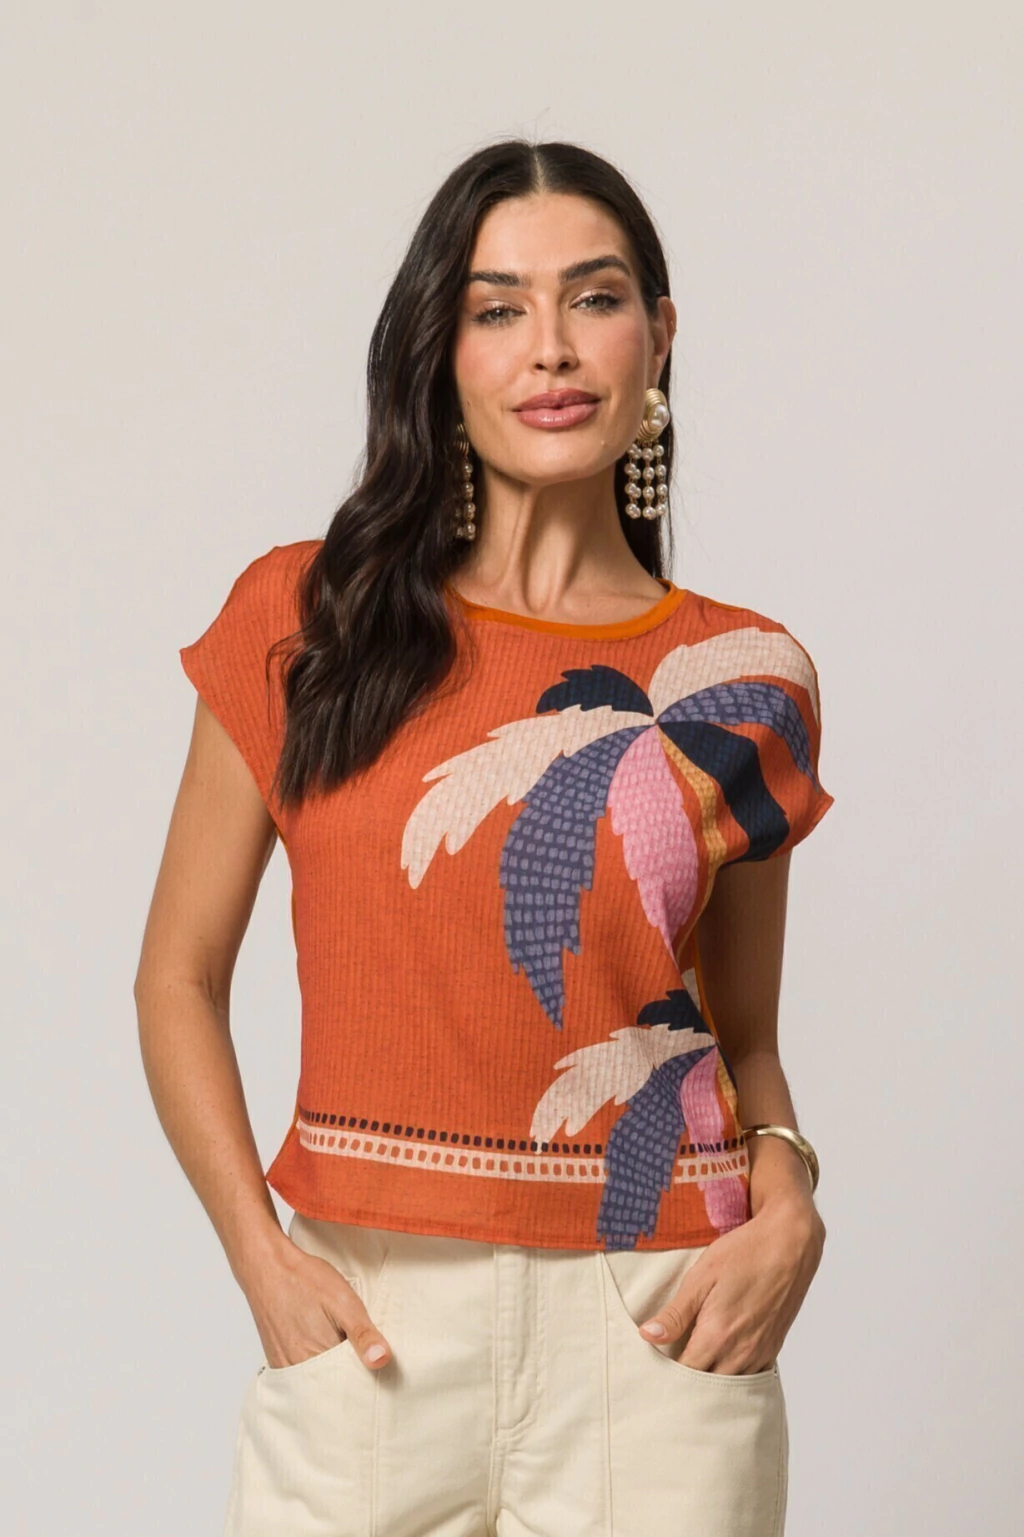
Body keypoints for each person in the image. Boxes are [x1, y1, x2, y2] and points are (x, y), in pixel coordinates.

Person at [135, 138, 834, 1537]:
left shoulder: (744, 678)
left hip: (660, 1322)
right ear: (441, 354)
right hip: (375, 1323)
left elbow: (743, 1035)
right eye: (498, 308)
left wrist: (793, 1197)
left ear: (659, 339)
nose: (551, 348)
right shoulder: (306, 621)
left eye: (595, 298)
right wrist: (259, 1256)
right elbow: (178, 978)